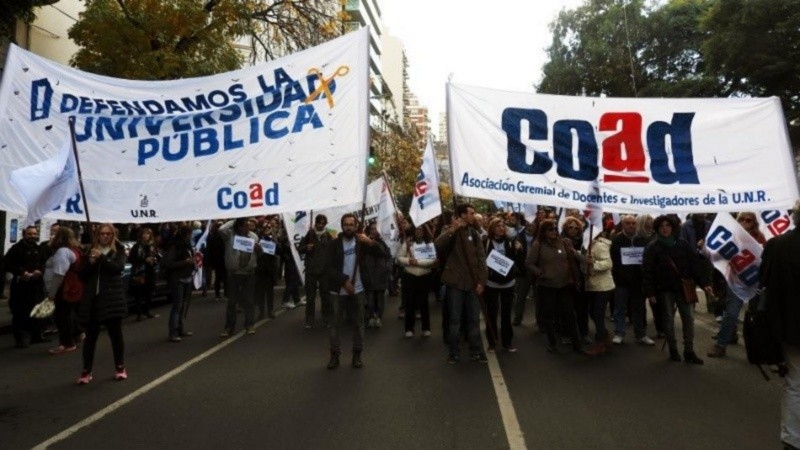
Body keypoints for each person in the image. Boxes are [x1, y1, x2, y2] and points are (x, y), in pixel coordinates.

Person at [642, 215, 712, 365]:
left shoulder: (682, 244)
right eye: (661, 226)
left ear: (673, 227)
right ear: (657, 228)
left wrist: (704, 282)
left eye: (668, 225)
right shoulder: (653, 247)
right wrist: (650, 292)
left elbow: (694, 265)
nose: (665, 228)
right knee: (668, 319)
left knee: (688, 319)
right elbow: (647, 271)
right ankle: (673, 350)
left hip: (683, 288)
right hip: (664, 289)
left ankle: (689, 351)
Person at [759, 201, 800, 450]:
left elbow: (765, 285)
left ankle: (792, 439)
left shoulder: (778, 245)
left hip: (791, 328)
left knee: (795, 385)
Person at [325, 213, 386, 369]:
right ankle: (334, 355)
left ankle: (357, 355)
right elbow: (328, 268)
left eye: (351, 224)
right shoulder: (333, 244)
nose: (349, 227)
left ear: (356, 225)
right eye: (346, 224)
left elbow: (382, 254)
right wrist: (344, 281)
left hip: (358, 290)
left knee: (359, 324)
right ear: (342, 226)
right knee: (335, 325)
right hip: (338, 292)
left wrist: (370, 242)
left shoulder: (361, 243)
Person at [435, 203, 489, 364]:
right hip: (455, 283)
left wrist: (482, 282)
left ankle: (477, 351)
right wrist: (453, 229)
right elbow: (437, 244)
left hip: (473, 283)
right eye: (471, 213)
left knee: (473, 320)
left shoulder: (475, 233)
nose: (474, 215)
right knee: (455, 320)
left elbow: (481, 259)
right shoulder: (450, 230)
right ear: (463, 215)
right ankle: (454, 352)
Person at [708, 211, 767, 357]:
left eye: (749, 220)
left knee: (757, 316)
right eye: (742, 219)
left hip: (754, 282)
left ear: (754, 223)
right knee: (731, 314)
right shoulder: (730, 236)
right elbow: (717, 256)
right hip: (735, 282)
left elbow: (765, 258)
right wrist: (707, 248)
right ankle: (721, 344)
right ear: (737, 220)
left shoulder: (759, 238)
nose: (745, 222)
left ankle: (759, 349)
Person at [76, 224, 129, 384]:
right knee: (90, 338)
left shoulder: (118, 251)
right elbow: (82, 275)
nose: (105, 236)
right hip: (93, 300)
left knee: (115, 335)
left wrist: (102, 258)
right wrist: (91, 263)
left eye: (108, 234)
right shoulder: (90, 251)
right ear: (97, 235)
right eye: (102, 234)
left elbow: (117, 268)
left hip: (112, 299)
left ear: (113, 235)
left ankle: (120, 367)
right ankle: (86, 371)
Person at [526, 219, 585, 354]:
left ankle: (577, 343)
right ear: (544, 231)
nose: (554, 232)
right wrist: (540, 272)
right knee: (548, 316)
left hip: (564, 285)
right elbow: (529, 263)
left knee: (569, 314)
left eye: (555, 229)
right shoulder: (538, 245)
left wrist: (586, 260)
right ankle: (552, 342)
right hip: (547, 286)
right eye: (550, 229)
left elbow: (574, 254)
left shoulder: (564, 242)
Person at [610, 215, 655, 346]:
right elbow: (613, 260)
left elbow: (647, 260)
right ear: (623, 225)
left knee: (639, 309)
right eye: (628, 223)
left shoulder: (643, 240)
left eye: (633, 223)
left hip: (638, 281)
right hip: (622, 281)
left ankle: (640, 334)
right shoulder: (617, 240)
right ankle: (619, 333)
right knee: (620, 309)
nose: (631, 225)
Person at [4, 225, 47, 348]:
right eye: (30, 234)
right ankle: (20, 339)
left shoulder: (39, 249)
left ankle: (36, 336)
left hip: (36, 285)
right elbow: (7, 264)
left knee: (37, 310)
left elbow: (43, 263)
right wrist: (21, 272)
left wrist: (40, 270)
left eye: (34, 234)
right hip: (20, 286)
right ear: (24, 234)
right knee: (19, 313)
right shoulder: (16, 248)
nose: (32, 236)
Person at [43, 226, 84, 355]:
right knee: (69, 313)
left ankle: (67, 344)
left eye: (54, 233)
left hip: (65, 288)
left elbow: (59, 274)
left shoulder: (62, 252)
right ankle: (78, 334)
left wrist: (52, 293)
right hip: (74, 287)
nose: (52, 235)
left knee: (62, 316)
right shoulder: (75, 249)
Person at [483, 217, 521, 352]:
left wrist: (518, 249)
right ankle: (492, 342)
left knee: (506, 314)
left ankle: (507, 342)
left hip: (508, 283)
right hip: (491, 283)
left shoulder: (510, 242)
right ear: (492, 228)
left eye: (503, 226)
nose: (501, 228)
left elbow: (517, 261)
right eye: (498, 226)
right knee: (492, 314)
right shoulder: (485, 242)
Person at [218, 218, 261, 337]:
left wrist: (258, 249)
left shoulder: (253, 236)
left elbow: (260, 253)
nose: (249, 227)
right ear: (239, 227)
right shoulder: (229, 236)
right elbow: (221, 229)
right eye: (246, 225)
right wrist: (236, 217)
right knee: (232, 301)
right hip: (234, 273)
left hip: (249, 273)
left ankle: (249, 325)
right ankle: (229, 327)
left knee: (249, 301)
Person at [397, 224, 437, 338]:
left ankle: (426, 328)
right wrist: (409, 261)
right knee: (409, 302)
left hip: (425, 276)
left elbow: (432, 260)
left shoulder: (429, 243)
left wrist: (418, 262)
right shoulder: (408, 242)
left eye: (421, 229)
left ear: (424, 231)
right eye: (417, 229)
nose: (419, 231)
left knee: (424, 302)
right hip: (410, 275)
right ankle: (409, 328)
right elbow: (399, 257)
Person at [584, 228, 614, 356]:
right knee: (593, 313)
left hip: (603, 286)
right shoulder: (586, 245)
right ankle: (605, 336)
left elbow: (608, 264)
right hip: (592, 285)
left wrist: (594, 263)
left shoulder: (600, 245)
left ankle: (600, 343)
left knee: (597, 314)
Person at [299, 214, 334, 328]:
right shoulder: (310, 234)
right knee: (310, 297)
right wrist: (306, 248)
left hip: (324, 271)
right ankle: (309, 320)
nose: (321, 225)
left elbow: (334, 249)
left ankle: (327, 319)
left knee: (326, 296)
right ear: (315, 223)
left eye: (323, 223)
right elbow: (300, 248)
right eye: (319, 223)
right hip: (311, 270)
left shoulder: (328, 235)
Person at [162, 225, 195, 342]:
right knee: (177, 306)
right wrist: (185, 262)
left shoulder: (187, 246)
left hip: (186, 277)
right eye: (189, 234)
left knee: (182, 306)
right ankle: (173, 332)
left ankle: (180, 329)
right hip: (177, 278)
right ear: (185, 235)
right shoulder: (175, 246)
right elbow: (169, 263)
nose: (190, 236)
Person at [362, 223, 392, 330]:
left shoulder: (382, 243)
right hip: (369, 276)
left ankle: (378, 317)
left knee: (379, 299)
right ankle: (370, 317)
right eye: (372, 229)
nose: (374, 231)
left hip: (380, 276)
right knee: (370, 300)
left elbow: (388, 256)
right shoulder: (363, 244)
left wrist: (387, 268)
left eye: (376, 229)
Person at [128, 227, 159, 321]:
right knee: (139, 294)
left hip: (150, 271)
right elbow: (131, 259)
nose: (146, 236)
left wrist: (154, 260)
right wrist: (144, 260)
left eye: (148, 234)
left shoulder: (152, 246)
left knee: (149, 293)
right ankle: (139, 314)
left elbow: (157, 256)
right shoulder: (137, 246)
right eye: (144, 234)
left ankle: (147, 311)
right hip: (139, 272)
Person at [512, 220, 537, 326]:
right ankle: (518, 318)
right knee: (521, 296)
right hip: (523, 270)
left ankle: (540, 321)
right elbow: (512, 253)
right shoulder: (518, 236)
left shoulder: (539, 237)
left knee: (538, 298)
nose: (530, 225)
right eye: (528, 223)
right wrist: (516, 248)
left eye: (532, 223)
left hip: (536, 271)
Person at [254, 222, 279, 320]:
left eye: (269, 228)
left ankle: (270, 310)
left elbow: (277, 252)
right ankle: (261, 312)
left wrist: (274, 243)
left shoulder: (273, 241)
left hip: (270, 270)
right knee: (260, 292)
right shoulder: (258, 241)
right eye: (265, 228)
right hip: (260, 269)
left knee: (269, 292)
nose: (267, 230)